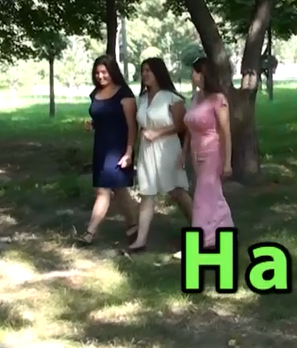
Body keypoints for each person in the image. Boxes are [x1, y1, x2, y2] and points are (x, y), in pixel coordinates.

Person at [124, 58, 194, 254]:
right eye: (143, 70)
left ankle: (199, 226)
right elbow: (139, 125)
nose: (145, 74)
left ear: (158, 73)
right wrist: (134, 149)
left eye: (149, 70)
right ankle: (140, 241)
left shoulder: (171, 98)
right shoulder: (143, 98)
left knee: (177, 191)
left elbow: (182, 125)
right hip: (147, 150)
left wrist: (158, 133)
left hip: (167, 148)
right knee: (147, 193)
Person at [80, 55, 140, 245]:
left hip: (119, 148)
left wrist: (129, 152)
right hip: (101, 147)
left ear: (112, 71)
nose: (100, 76)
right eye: (97, 73)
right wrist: (92, 124)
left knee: (103, 190)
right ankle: (134, 224)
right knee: (120, 189)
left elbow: (132, 126)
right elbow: (102, 117)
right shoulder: (96, 93)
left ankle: (90, 232)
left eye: (104, 72)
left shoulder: (124, 94)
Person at [180, 56, 234, 252]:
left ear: (203, 74)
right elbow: (189, 128)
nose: (192, 75)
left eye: (195, 72)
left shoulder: (218, 100)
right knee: (212, 194)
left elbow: (226, 132)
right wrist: (184, 152)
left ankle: (202, 238)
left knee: (202, 196)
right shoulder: (195, 99)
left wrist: (227, 162)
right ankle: (222, 229)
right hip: (197, 153)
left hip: (213, 153)